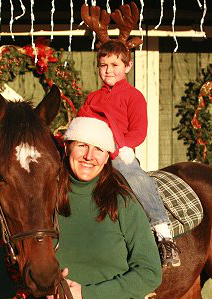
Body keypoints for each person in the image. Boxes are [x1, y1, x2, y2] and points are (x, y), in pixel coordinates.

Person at [44, 117, 162, 299]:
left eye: (99, 149)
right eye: (82, 145)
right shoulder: (46, 202)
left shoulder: (122, 202)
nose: (89, 156)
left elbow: (149, 271)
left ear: (107, 157)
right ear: (68, 147)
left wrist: (87, 297)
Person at [76, 40, 180, 267]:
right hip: (93, 151)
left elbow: (139, 132)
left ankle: (163, 235)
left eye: (114, 65)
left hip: (118, 154)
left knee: (136, 179)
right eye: (103, 65)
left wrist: (123, 148)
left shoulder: (133, 96)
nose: (108, 70)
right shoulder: (92, 97)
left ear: (127, 66)